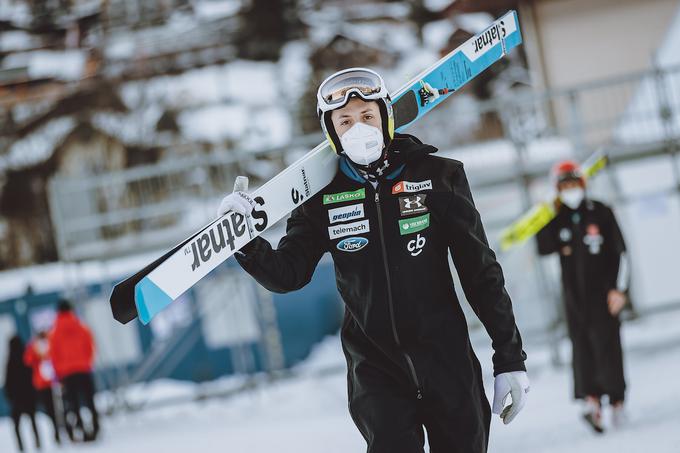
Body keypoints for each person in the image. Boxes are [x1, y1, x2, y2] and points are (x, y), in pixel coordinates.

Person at [218, 67, 529, 452]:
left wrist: (509, 358)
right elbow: (288, 274)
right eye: (345, 121)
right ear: (332, 132)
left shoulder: (439, 176)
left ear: (386, 118)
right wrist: (245, 239)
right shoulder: (319, 198)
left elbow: (481, 273)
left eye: (367, 116)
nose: (359, 128)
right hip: (376, 371)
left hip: (447, 362)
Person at [536, 160, 628, 433]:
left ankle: (617, 402)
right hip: (574, 298)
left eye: (573, 184)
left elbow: (621, 252)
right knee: (582, 349)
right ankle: (592, 404)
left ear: (582, 184)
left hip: (604, 294)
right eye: (564, 186)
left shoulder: (601, 212)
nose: (570, 190)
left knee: (607, 347)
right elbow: (544, 247)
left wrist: (619, 290)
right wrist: (544, 211)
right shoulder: (557, 217)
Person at [49, 299, 100, 442]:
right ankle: (95, 427)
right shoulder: (81, 327)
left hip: (67, 374)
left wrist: (59, 374)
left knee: (74, 403)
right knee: (90, 401)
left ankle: (81, 429)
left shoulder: (55, 332)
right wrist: (86, 362)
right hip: (84, 369)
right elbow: (90, 346)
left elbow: (54, 355)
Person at [4, 335, 41, 452]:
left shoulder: (10, 362)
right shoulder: (26, 359)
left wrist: (10, 397)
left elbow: (7, 382)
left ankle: (21, 445)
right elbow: (33, 377)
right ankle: (38, 442)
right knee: (33, 421)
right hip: (28, 397)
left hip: (17, 399)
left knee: (17, 424)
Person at [24, 330, 61, 445]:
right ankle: (57, 428)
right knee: (51, 408)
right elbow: (28, 360)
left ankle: (58, 429)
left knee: (54, 408)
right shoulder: (35, 347)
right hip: (46, 382)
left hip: (50, 382)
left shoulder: (48, 344)